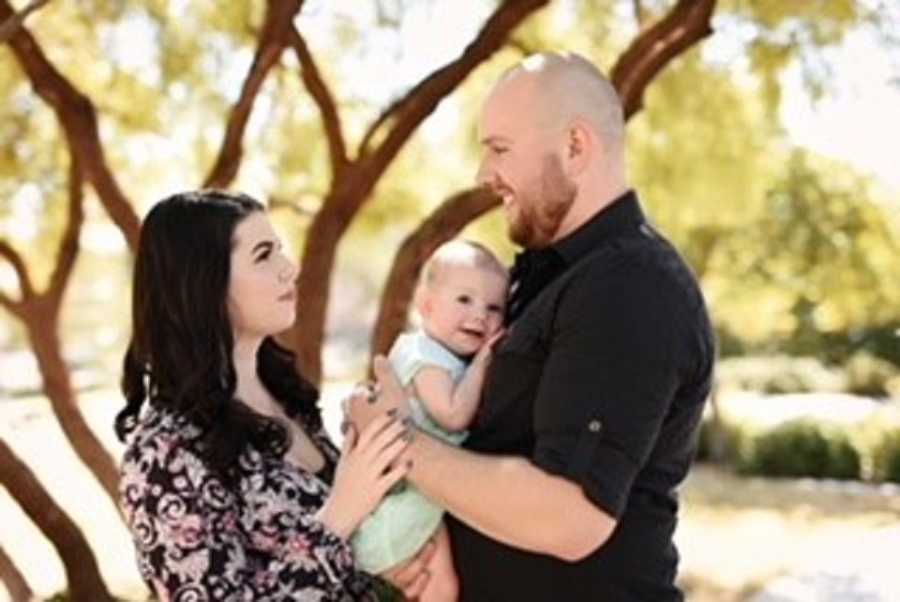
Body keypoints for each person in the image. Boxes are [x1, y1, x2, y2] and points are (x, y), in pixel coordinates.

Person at [348, 51, 715, 601]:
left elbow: (568, 518)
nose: (482, 174)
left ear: (575, 146)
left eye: (499, 149)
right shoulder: (546, 278)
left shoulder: (627, 285)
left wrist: (394, 440)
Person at [115, 190, 430, 601]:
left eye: (280, 250)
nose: (290, 269)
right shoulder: (162, 455)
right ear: (204, 282)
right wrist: (339, 514)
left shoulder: (286, 395)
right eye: (264, 255)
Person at [351, 240, 507, 601]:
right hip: (403, 508)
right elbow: (452, 416)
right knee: (441, 588)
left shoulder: (441, 354)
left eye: (494, 307)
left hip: (419, 495)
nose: (480, 315)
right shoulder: (425, 356)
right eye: (464, 300)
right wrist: (486, 360)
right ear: (427, 305)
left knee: (445, 587)